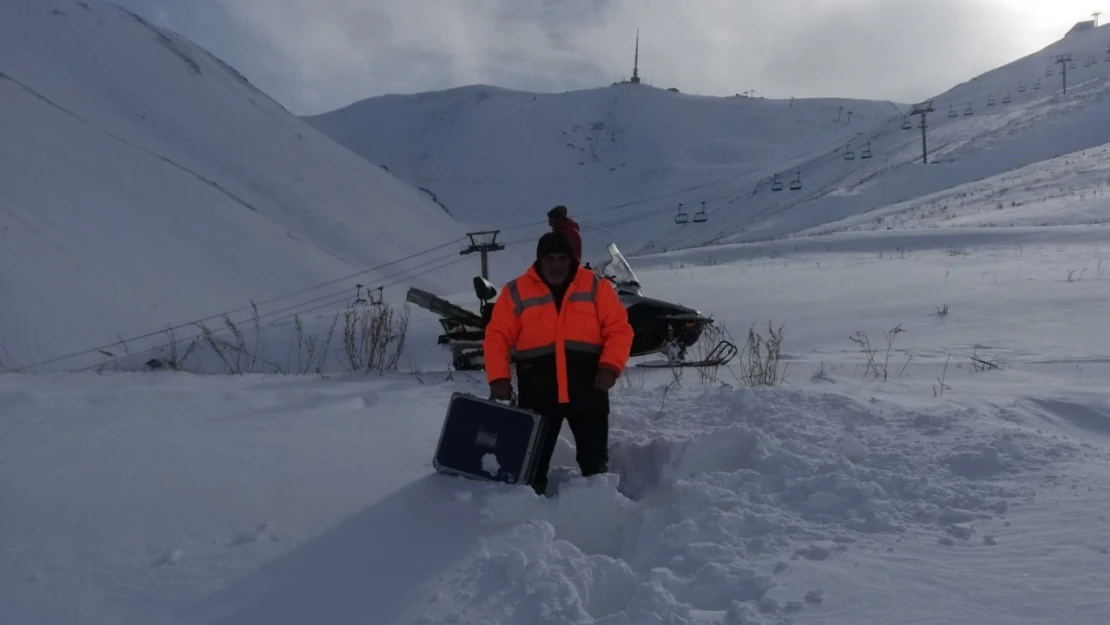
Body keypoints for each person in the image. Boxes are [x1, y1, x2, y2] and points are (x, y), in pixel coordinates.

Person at [483, 231, 634, 496]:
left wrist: (610, 366)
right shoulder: (515, 291)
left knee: (595, 462)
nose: (556, 264)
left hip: (588, 387)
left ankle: (600, 505)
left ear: (572, 260)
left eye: (562, 258)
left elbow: (619, 328)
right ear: (540, 260)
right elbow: (496, 337)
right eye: (550, 258)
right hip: (538, 390)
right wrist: (499, 378)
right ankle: (530, 512)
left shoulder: (595, 286)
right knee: (532, 463)